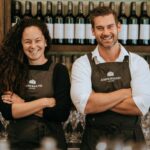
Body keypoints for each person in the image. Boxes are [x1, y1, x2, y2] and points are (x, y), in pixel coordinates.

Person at [71, 6, 150, 150]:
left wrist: (97, 99)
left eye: (110, 26)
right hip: (94, 140)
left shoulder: (138, 62)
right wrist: (126, 93)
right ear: (93, 31)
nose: (106, 32)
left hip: (131, 141)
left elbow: (141, 106)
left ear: (118, 27)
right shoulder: (82, 64)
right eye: (100, 28)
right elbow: (85, 105)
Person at [0, 18, 71, 150]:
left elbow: (61, 113)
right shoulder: (11, 71)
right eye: (27, 42)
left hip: (52, 145)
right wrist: (45, 101)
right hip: (18, 144)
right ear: (21, 44)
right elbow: (7, 112)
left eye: (37, 40)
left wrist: (22, 105)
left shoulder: (59, 71)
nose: (33, 46)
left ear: (45, 41)